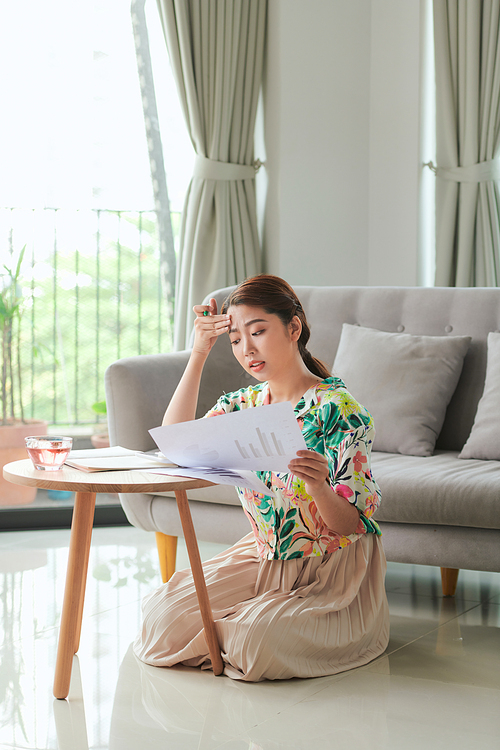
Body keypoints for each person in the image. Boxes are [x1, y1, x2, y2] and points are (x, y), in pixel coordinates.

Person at [134, 274, 389, 681]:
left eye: (258, 332)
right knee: (158, 620)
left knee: (253, 644)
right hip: (263, 552)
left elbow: (349, 524)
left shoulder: (340, 409)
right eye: (236, 340)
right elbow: (175, 444)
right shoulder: (242, 404)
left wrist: (320, 487)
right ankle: (238, 621)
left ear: (293, 328)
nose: (246, 349)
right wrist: (199, 352)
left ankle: (245, 623)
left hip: (331, 567)